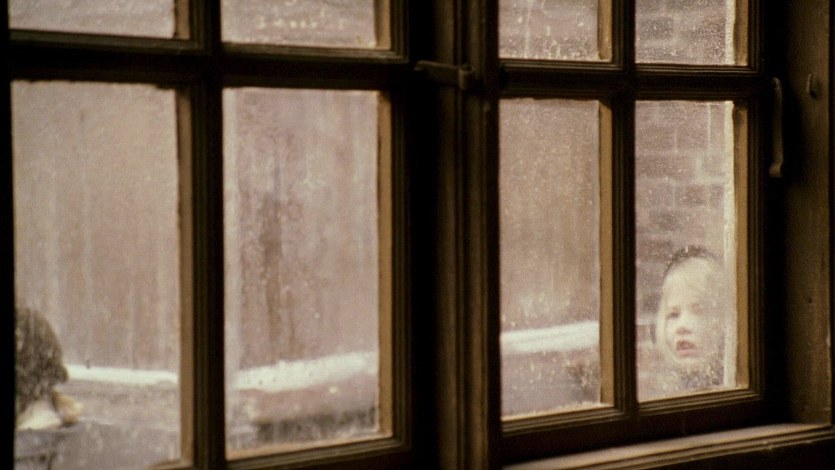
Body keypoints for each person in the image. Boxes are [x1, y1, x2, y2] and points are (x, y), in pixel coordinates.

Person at [651, 245, 733, 395]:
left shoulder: (734, 385)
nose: (682, 326)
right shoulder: (665, 390)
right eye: (673, 314)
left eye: (699, 312)